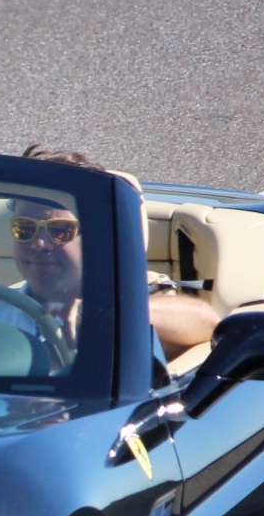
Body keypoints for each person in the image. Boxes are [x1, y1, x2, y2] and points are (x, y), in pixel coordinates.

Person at [19, 144, 222, 360]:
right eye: (24, 228)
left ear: (99, 237)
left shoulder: (136, 300)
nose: (39, 244)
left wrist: (100, 315)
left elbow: (207, 325)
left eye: (60, 230)